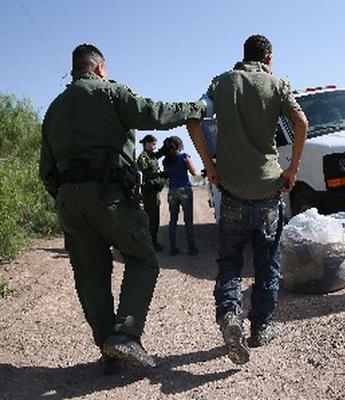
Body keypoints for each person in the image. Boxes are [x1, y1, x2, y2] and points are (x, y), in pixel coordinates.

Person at [39, 44, 205, 374]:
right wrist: (196, 108)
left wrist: (69, 198)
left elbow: (46, 170)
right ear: (100, 69)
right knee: (143, 258)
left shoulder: (54, 109)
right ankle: (126, 334)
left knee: (90, 276)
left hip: (68, 200)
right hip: (109, 193)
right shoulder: (109, 94)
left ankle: (108, 348)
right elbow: (155, 113)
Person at [186, 34, 308, 365]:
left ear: (243, 56)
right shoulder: (277, 84)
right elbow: (301, 122)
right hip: (269, 189)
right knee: (267, 261)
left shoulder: (221, 83)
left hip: (232, 191)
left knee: (230, 263)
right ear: (268, 58)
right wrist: (292, 169)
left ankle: (230, 316)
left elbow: (193, 118)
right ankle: (262, 327)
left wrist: (209, 166)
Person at [162, 136, 199, 256]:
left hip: (172, 191)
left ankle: (173, 248)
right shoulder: (184, 156)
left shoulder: (166, 160)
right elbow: (193, 172)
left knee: (173, 221)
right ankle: (191, 248)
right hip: (185, 190)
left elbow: (167, 175)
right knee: (188, 220)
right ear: (179, 145)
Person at [137, 134, 167, 252]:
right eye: (152, 143)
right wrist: (160, 176)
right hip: (149, 192)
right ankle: (149, 244)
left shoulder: (151, 156)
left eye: (155, 143)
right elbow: (147, 174)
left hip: (154, 191)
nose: (154, 146)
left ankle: (153, 242)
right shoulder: (143, 157)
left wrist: (166, 147)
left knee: (155, 219)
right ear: (146, 143)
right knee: (150, 219)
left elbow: (159, 154)